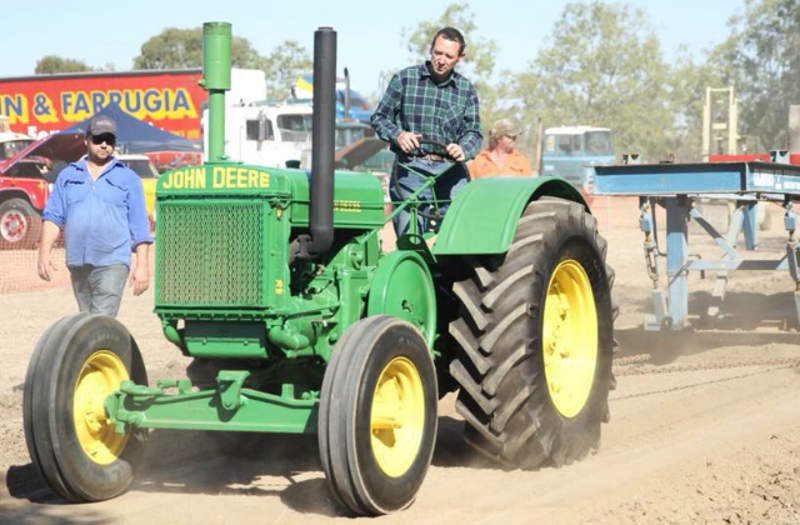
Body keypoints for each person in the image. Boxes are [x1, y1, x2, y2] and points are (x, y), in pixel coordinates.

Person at [37, 114, 153, 317]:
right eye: (98, 139)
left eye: (110, 140)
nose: (104, 145)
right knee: (87, 320)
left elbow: (140, 226)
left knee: (102, 318)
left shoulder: (128, 178)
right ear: (86, 140)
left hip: (113, 261)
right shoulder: (68, 176)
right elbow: (53, 217)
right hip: (78, 262)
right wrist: (43, 254)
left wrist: (142, 266)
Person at [371, 26, 482, 236]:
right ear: (431, 50)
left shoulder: (466, 90)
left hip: (450, 171)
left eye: (448, 56)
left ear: (459, 58)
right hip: (411, 167)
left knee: (462, 230)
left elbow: (474, 133)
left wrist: (463, 149)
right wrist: (399, 135)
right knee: (410, 236)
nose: (441, 60)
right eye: (437, 53)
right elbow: (379, 118)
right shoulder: (405, 80)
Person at [469, 118, 533, 179]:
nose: (514, 139)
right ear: (498, 138)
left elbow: (529, 188)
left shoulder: (521, 161)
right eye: (510, 136)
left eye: (515, 136)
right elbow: (471, 186)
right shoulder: (480, 160)